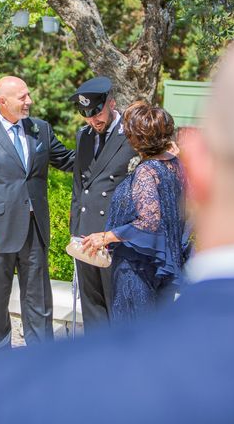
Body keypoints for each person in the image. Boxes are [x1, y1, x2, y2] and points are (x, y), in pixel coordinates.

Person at [0, 14, 234, 423]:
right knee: (14, 301)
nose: (30, 101)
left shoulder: (1, 392)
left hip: (87, 238)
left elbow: (75, 167)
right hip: (26, 233)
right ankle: (7, 342)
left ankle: (48, 345)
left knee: (64, 305)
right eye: (21, 96)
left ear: (199, 170)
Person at [0, 76, 74, 352]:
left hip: (35, 229)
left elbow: (69, 160)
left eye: (28, 95)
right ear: (3, 101)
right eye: (22, 97)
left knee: (39, 299)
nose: (29, 101)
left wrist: (104, 148)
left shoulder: (41, 130)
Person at [81, 101, 189, 322]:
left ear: (137, 139)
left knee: (132, 335)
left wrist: (105, 237)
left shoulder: (147, 171)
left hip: (137, 269)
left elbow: (149, 220)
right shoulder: (177, 165)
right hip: (163, 266)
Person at [68, 76, 137, 331]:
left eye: (97, 114)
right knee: (92, 306)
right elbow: (79, 187)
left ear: (112, 103)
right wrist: (75, 230)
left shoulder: (131, 135)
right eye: (86, 115)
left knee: (116, 306)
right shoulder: (83, 136)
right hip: (86, 236)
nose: (92, 121)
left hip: (113, 237)